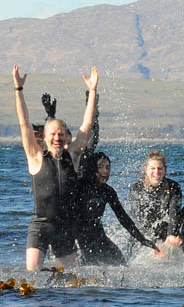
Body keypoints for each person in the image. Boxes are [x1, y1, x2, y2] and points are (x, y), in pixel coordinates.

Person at [13, 64, 99, 271]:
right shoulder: (35, 157)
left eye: (61, 134)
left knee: (71, 281)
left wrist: (93, 91)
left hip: (65, 227)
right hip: (40, 225)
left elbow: (86, 127)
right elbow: (24, 124)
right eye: (53, 134)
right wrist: (18, 90)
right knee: (33, 274)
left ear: (66, 136)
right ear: (44, 137)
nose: (57, 137)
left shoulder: (72, 155)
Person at [75, 152, 161, 265]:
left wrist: (142, 239)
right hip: (78, 236)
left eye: (108, 167)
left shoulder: (108, 191)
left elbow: (123, 218)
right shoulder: (79, 186)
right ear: (92, 168)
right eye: (100, 167)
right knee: (88, 268)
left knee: (121, 264)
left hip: (97, 234)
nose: (105, 171)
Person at [126, 151, 183, 251]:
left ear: (165, 170)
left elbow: (174, 213)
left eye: (160, 168)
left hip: (165, 232)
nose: (157, 172)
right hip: (143, 235)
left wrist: (170, 235)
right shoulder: (136, 189)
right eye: (153, 168)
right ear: (146, 169)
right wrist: (153, 244)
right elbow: (139, 220)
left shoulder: (173, 187)